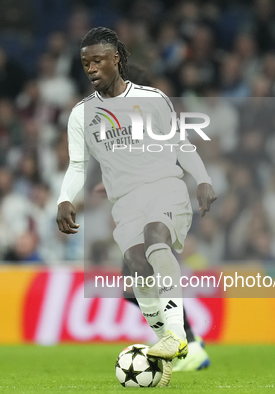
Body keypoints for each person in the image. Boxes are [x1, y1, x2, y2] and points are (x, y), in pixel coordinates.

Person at [56, 27, 216, 386]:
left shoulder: (152, 99)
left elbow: (180, 143)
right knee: (136, 265)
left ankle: (180, 337)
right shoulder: (82, 115)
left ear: (116, 59)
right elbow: (78, 165)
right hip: (125, 201)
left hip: (164, 187)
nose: (91, 68)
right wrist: (64, 198)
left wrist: (202, 179)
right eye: (85, 63)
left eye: (97, 60)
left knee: (155, 236)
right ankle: (169, 339)